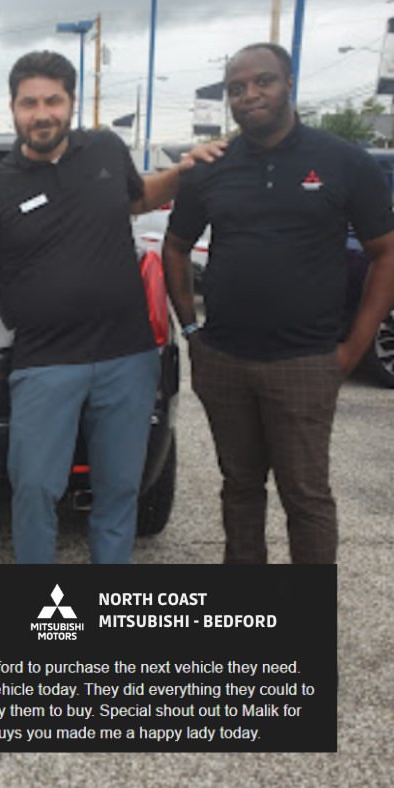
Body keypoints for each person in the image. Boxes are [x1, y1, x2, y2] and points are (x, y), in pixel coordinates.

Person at [0, 50, 223, 564]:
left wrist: (183, 173)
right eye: (29, 103)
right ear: (13, 107)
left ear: (71, 102)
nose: (41, 114)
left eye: (52, 101)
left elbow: (137, 198)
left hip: (126, 357)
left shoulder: (104, 150)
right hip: (46, 364)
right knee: (35, 487)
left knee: (120, 489)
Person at [162, 43, 394, 564]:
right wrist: (192, 332)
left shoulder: (343, 161)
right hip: (224, 360)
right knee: (239, 489)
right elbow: (174, 248)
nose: (249, 95)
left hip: (305, 361)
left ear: (289, 83)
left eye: (262, 81)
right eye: (236, 88)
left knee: (306, 496)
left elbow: (386, 254)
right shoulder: (212, 167)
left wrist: (351, 350)